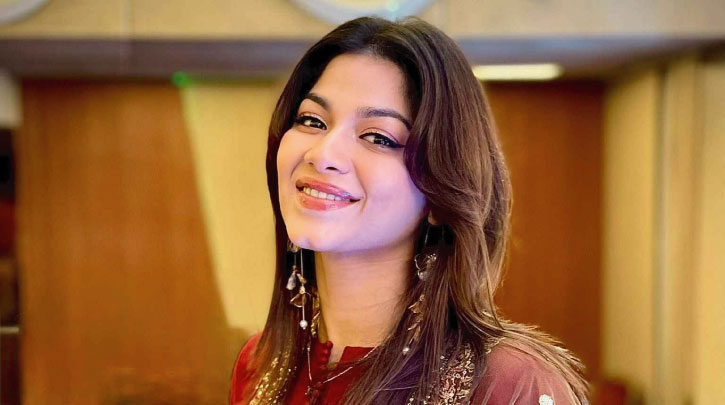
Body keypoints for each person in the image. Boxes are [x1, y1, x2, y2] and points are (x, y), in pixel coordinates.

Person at [229, 16, 588, 405]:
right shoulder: (260, 366)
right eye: (312, 121)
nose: (323, 153)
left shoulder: (507, 382)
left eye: (378, 137)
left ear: (438, 194)